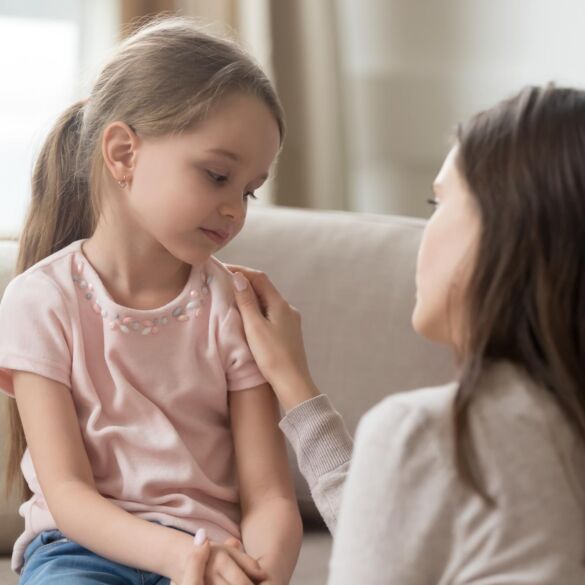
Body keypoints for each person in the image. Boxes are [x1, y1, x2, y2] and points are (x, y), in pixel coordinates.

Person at [227, 85, 585, 583]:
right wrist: (294, 384)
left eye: (438, 203)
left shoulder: (431, 435)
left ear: (508, 229)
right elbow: (392, 530)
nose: (426, 231)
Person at [0, 17, 302, 585]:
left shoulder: (231, 307)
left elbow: (268, 498)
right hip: (76, 551)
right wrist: (178, 558)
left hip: (212, 553)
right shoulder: (40, 301)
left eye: (249, 190)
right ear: (122, 153)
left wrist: (262, 575)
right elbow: (67, 493)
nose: (236, 209)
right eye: (217, 175)